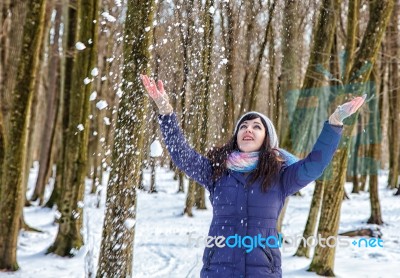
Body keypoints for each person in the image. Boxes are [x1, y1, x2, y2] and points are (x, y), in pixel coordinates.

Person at [140, 74, 366, 278]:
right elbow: (182, 155)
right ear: (236, 136)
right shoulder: (217, 171)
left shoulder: (280, 175)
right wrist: (165, 110)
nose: (248, 129)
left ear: (267, 138)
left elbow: (314, 166)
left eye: (257, 127)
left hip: (263, 271)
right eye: (244, 126)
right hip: (218, 270)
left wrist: (335, 121)